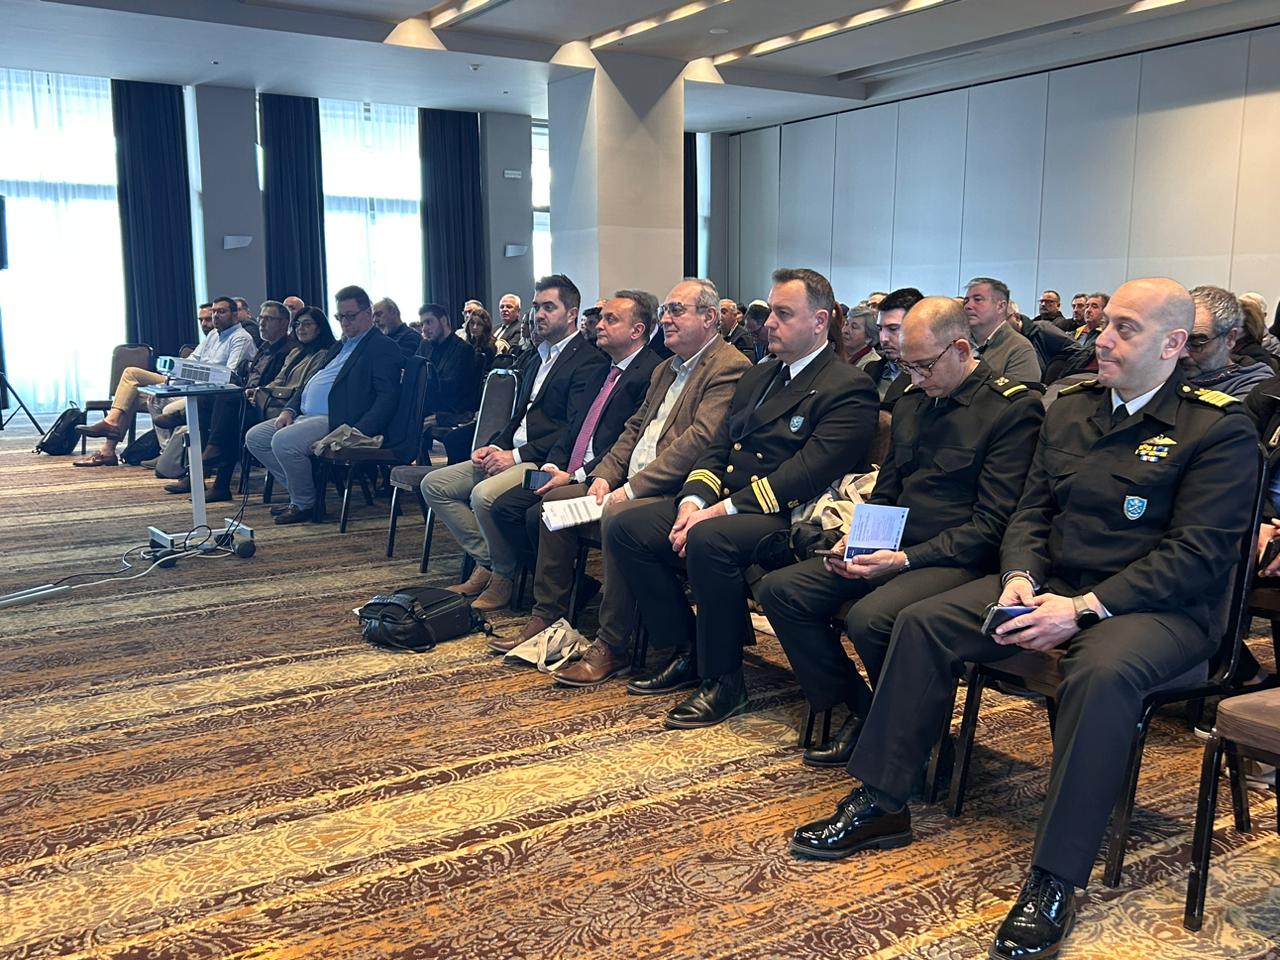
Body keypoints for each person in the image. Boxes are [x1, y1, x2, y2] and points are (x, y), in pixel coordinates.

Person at [789, 277, 1258, 960]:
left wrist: (1083, 609)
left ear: (1174, 344)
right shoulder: (1074, 407)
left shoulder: (1217, 428)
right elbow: (1032, 513)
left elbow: (1197, 555)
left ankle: (1054, 877)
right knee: (924, 620)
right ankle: (883, 800)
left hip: (1160, 611)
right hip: (1054, 585)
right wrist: (1018, 580)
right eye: (1106, 324)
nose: (1102, 339)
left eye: (1125, 328)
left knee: (1099, 671)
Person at [756, 297, 1043, 766]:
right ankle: (862, 709)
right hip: (895, 547)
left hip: (959, 558)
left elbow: (992, 524)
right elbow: (887, 491)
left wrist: (904, 559)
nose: (916, 378)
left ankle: (920, 743)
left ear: (961, 350)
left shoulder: (1011, 409)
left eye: (925, 366)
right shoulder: (912, 401)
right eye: (908, 366)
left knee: (872, 618)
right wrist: (859, 538)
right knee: (782, 590)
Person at [606, 268, 879, 729]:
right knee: (627, 526)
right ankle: (688, 648)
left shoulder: (847, 385)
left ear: (820, 321)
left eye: (783, 314)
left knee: (710, 539)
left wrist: (719, 510)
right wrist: (693, 501)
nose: (769, 322)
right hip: (731, 505)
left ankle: (724, 682)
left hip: (790, 516)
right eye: (771, 312)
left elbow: (805, 474)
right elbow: (719, 448)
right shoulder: (761, 375)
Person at [421, 274, 609, 609]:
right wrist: (496, 445)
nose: (539, 314)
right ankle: (491, 561)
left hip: (544, 461)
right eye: (536, 306)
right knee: (435, 485)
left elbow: (571, 429)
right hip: (513, 452)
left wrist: (517, 456)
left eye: (548, 307)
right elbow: (518, 415)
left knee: (483, 496)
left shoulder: (588, 361)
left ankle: (503, 576)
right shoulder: (538, 356)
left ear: (571, 314)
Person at [484, 290, 665, 614]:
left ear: (637, 331)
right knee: (504, 508)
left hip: (600, 475)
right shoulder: (602, 369)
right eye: (601, 318)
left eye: (611, 319)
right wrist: (553, 464)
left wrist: (574, 475)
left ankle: (559, 596)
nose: (599, 325)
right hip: (565, 467)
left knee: (534, 515)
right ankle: (575, 587)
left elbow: (625, 443)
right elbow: (572, 428)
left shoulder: (650, 373)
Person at [243, 285, 402, 524]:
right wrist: (289, 409)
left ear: (368, 313)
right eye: (340, 317)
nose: (345, 322)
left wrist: (358, 431)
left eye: (351, 316)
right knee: (255, 438)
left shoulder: (381, 347)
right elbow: (310, 382)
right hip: (306, 415)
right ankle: (306, 493)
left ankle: (305, 503)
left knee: (283, 441)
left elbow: (387, 397)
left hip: (339, 419)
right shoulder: (341, 345)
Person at [74, 295, 255, 467]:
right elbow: (190, 361)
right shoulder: (214, 335)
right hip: (190, 384)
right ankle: (122, 435)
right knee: (137, 383)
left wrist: (178, 379)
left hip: (209, 393)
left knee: (142, 394)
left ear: (235, 315)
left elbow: (229, 376)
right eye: (213, 312)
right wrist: (167, 383)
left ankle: (149, 451)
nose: (214, 317)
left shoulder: (240, 338)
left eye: (220, 312)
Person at [180, 299, 295, 499]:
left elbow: (279, 383)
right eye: (261, 318)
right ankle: (202, 472)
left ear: (284, 323)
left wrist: (253, 391)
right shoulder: (265, 347)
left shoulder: (287, 350)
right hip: (247, 398)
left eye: (268, 319)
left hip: (267, 405)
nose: (261, 323)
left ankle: (216, 467)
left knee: (228, 406)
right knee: (207, 403)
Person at [1180, 285, 1272, 399]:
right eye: (1176, 341)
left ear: (1230, 339)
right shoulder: (1170, 370)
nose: (1181, 353)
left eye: (1197, 342)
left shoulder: (1254, 387)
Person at [963, 277, 1041, 383]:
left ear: (1000, 306)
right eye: (966, 301)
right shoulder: (956, 344)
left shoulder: (1020, 350)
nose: (968, 306)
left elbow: (1021, 394)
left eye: (977, 300)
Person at [416, 302, 481, 427]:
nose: (424, 328)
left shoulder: (464, 350)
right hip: (424, 406)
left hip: (446, 411)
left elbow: (454, 390)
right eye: (422, 324)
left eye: (429, 322)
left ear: (443, 321)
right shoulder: (425, 345)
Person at [864, 287, 922, 407]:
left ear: (919, 327)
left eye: (893, 329)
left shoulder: (931, 376)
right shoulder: (870, 370)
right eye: (880, 329)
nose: (883, 338)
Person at [842, 303, 880, 370]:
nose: (845, 330)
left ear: (868, 337)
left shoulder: (873, 365)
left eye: (854, 327)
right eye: (846, 324)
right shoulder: (834, 352)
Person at [466, 306, 499, 375]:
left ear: (485, 326)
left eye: (479, 324)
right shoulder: (469, 342)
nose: (474, 327)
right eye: (472, 323)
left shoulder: (489, 347)